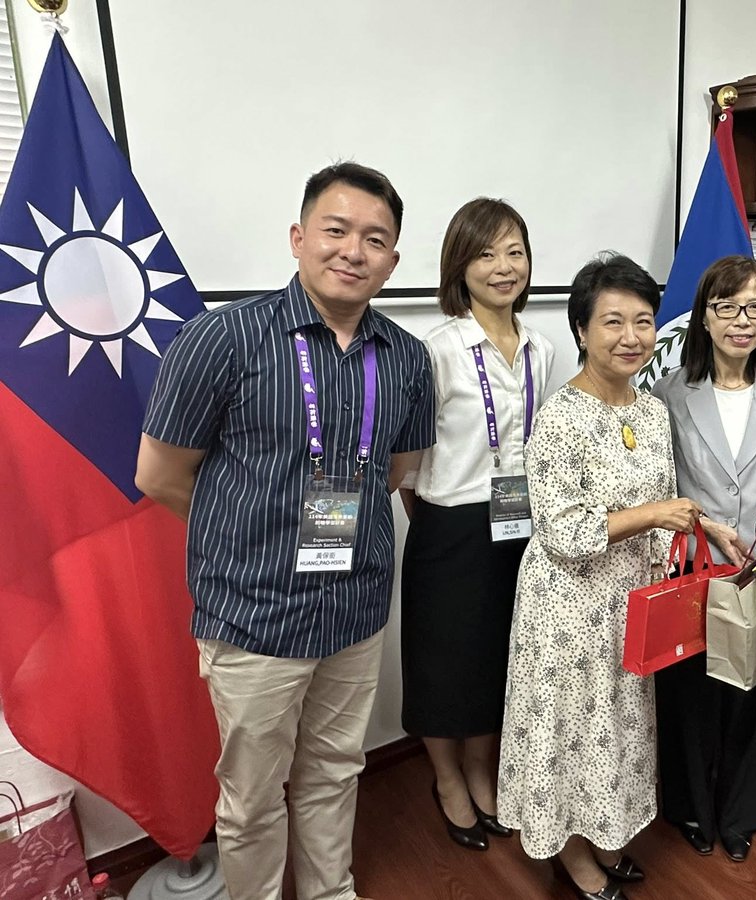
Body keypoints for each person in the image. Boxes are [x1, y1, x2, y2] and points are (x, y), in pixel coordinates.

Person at [135, 162, 434, 900]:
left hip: (355, 612)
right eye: (336, 231)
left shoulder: (406, 358)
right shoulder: (221, 339)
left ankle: (331, 890)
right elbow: (160, 476)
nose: (353, 251)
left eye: (375, 239)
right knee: (252, 797)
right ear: (299, 238)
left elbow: (395, 470)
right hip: (254, 618)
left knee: (337, 769)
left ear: (392, 260)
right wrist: (246, 543)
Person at [496, 253, 702, 900]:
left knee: (616, 725)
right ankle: (573, 855)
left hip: (630, 600)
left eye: (643, 321)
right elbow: (565, 532)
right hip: (568, 605)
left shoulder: (649, 411)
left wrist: (686, 531)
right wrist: (654, 515)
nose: (631, 337)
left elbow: (666, 501)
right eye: (612, 321)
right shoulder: (560, 418)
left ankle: (606, 832)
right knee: (571, 728)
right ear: (581, 330)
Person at [400, 198, 555, 851]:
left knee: (497, 657)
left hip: (518, 523)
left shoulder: (543, 347)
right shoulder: (434, 350)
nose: (503, 266)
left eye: (514, 251)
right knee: (442, 663)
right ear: (459, 265)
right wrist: (440, 519)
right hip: (449, 524)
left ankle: (479, 767)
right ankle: (446, 777)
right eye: (486, 253)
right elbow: (408, 463)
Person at [651, 255, 756, 862]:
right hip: (696, 564)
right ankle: (690, 807)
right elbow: (658, 481)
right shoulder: (669, 393)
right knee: (693, 692)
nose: (743, 320)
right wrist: (704, 522)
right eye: (727, 307)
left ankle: (743, 810)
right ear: (704, 317)